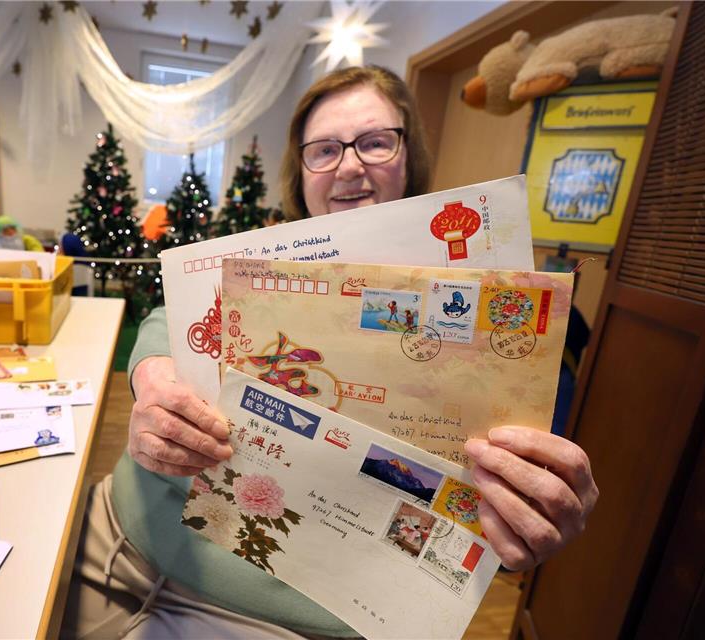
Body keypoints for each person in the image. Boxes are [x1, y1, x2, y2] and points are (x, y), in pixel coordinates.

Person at [65, 66, 599, 639]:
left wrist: (532, 513)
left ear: (410, 157)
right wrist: (151, 374)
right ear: (301, 172)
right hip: (117, 534)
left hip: (278, 619)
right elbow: (168, 316)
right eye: (324, 150)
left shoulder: (486, 300)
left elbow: (505, 501)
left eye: (374, 142)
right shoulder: (266, 253)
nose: (348, 165)